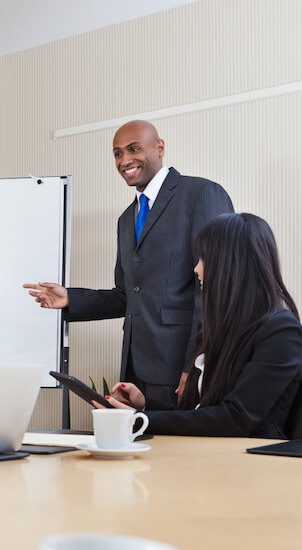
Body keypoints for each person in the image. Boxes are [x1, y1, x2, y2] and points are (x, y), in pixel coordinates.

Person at [24, 120, 233, 407]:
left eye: (134, 149)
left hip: (181, 367)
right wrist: (70, 298)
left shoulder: (201, 195)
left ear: (160, 148)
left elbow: (213, 289)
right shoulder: (126, 219)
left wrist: (194, 365)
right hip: (135, 370)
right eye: (117, 153)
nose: (124, 161)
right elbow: (127, 296)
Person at [100, 213, 302, 438]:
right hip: (208, 457)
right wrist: (145, 406)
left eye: (203, 259)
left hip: (252, 465)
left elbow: (235, 419)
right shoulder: (217, 328)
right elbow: (198, 415)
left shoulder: (281, 332)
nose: (196, 269)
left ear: (230, 265)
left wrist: (139, 420)